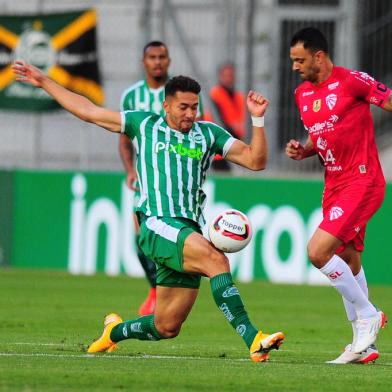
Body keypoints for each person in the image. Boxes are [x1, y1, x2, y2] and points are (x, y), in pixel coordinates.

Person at [13, 61, 285, 362]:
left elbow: (255, 160)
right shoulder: (145, 125)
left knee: (166, 326)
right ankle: (254, 339)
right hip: (156, 224)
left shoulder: (208, 134)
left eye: (194, 107)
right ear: (166, 105)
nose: (190, 114)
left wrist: (257, 121)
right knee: (215, 259)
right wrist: (44, 81)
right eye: (183, 107)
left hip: (188, 229)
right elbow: (89, 111)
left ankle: (113, 333)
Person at [286, 27, 392, 364]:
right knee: (347, 257)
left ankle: (368, 315)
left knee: (318, 252)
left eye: (299, 60)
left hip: (363, 181)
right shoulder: (302, 94)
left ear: (319, 55)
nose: (295, 67)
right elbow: (323, 132)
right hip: (333, 184)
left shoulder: (352, 81)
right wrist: (304, 151)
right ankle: (366, 345)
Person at [119, 41, 204, 315]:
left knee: (169, 232)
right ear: (144, 62)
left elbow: (197, 126)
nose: (157, 62)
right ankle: (155, 289)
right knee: (141, 234)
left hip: (175, 173)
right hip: (145, 176)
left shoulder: (181, 94)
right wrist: (130, 170)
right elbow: (124, 138)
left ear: (168, 61)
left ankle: (162, 291)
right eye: (152, 57)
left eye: (162, 57)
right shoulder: (131, 96)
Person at [209, 63, 246, 171]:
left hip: (234, 141)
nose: (228, 79)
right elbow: (218, 119)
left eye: (231, 76)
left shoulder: (238, 96)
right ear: (220, 76)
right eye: (226, 76)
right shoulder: (216, 94)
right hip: (219, 142)